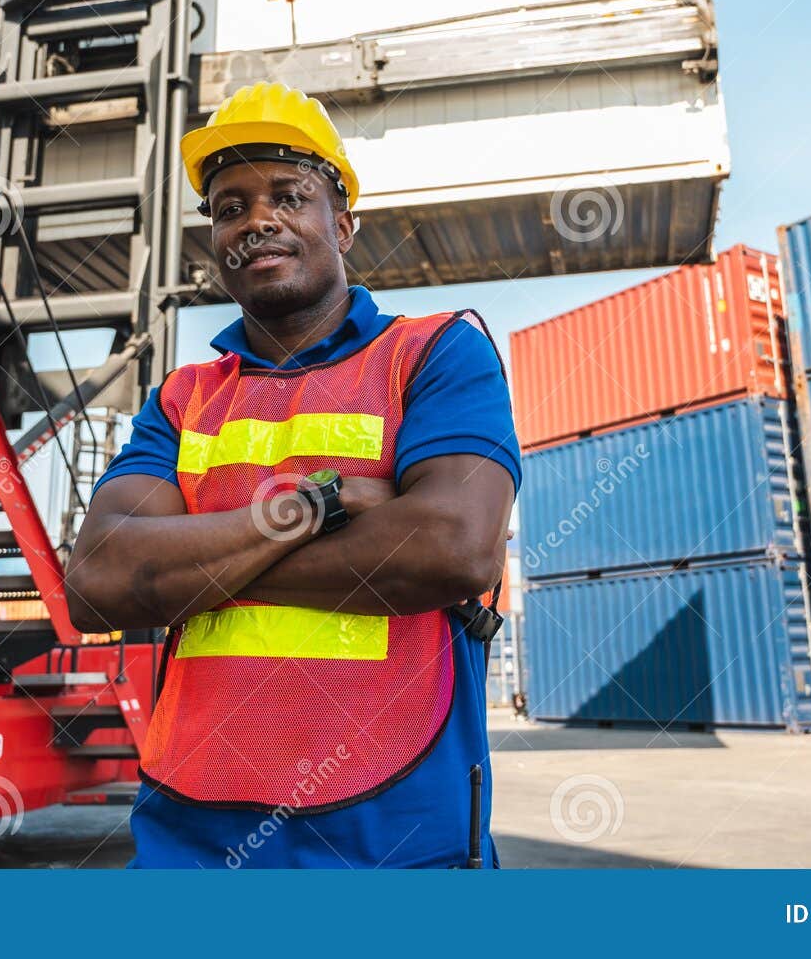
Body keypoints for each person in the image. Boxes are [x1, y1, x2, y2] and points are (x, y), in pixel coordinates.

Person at [65, 81, 521, 869]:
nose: (256, 220)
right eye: (229, 206)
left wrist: (193, 560)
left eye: (288, 194)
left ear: (342, 222)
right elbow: (97, 581)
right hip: (188, 837)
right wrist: (325, 501)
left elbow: (452, 551)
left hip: (395, 838)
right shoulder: (182, 397)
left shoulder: (434, 353)